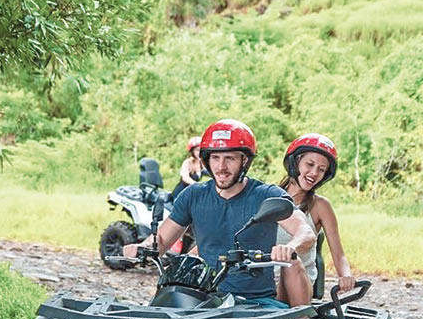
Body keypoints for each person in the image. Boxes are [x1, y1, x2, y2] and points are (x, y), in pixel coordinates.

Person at [123, 119, 316, 308]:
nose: (221, 167)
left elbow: (305, 233)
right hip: (204, 298)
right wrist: (141, 247)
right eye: (215, 158)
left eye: (229, 158)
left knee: (293, 264)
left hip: (255, 303)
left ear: (245, 160)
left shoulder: (266, 195)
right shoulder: (193, 195)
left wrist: (291, 247)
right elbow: (162, 241)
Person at [277, 133, 356, 301]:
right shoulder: (267, 197)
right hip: (263, 283)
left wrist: (345, 275)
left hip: (297, 283)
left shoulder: (320, 206)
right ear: (295, 162)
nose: (314, 173)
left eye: (321, 170)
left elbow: (338, 253)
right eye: (310, 164)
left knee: (291, 261)